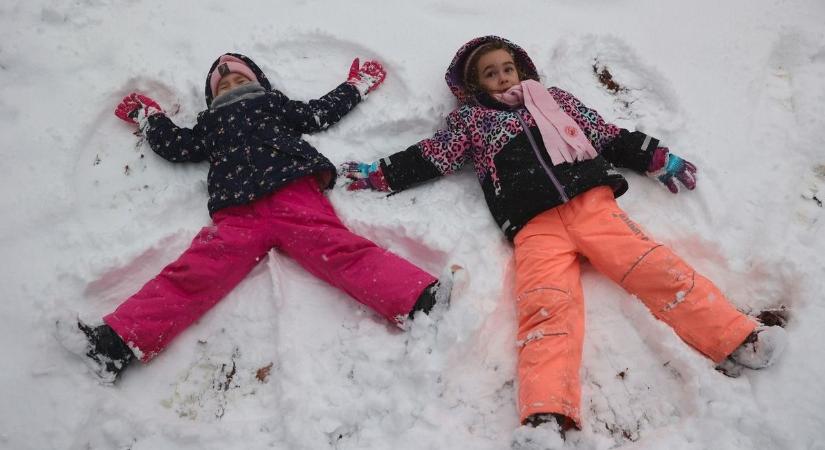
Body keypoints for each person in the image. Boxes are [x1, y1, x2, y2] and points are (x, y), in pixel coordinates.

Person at [341, 36, 787, 435]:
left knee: (655, 268)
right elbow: (432, 156)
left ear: (521, 68)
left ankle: (734, 337)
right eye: (489, 73)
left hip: (592, 206)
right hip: (534, 226)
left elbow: (606, 135)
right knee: (545, 307)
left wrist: (655, 156)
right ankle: (547, 414)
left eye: (506, 67)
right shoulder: (472, 122)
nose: (501, 77)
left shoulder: (554, 100)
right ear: (477, 85)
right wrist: (380, 173)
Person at [66, 53, 452, 384]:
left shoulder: (274, 104)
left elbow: (318, 113)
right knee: (193, 274)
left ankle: (416, 298)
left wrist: (355, 85)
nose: (231, 83)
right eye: (222, 82)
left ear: (258, 82)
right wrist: (149, 118)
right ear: (211, 96)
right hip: (239, 215)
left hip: (293, 196)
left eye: (239, 77)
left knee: (340, 250)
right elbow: (177, 146)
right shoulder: (209, 124)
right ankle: (116, 342)